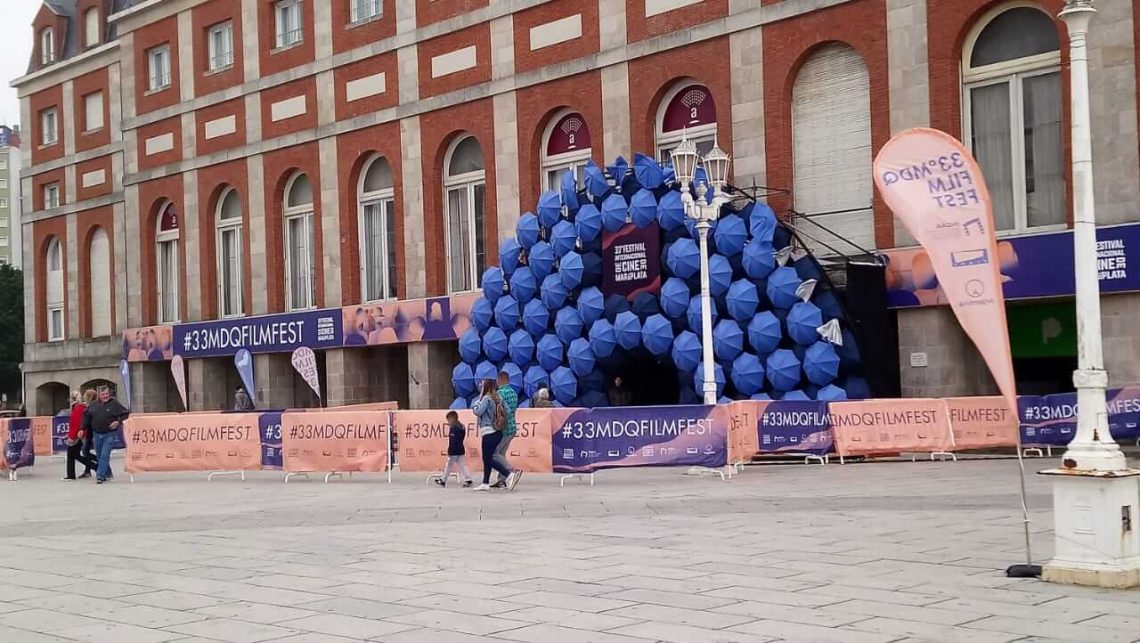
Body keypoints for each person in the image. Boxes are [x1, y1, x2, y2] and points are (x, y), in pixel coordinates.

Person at [470, 379, 515, 491]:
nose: (480, 385)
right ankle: (485, 482)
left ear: (486, 386)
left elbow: (478, 412)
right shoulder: (498, 398)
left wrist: (475, 404)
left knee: (488, 459)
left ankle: (509, 474)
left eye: (482, 384)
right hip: (498, 431)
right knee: (488, 458)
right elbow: (508, 411)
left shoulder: (486, 398)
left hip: (488, 431)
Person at [83, 386, 130, 484]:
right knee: (100, 456)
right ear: (99, 395)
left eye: (107, 394)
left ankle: (100, 475)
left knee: (105, 454)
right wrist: (81, 429)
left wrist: (118, 422)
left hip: (109, 434)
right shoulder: (93, 405)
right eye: (103, 394)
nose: (105, 396)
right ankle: (107, 472)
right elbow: (87, 417)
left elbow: (125, 413)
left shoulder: (114, 403)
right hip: (97, 434)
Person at [491, 372, 522, 489]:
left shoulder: (499, 394)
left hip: (502, 429)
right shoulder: (514, 393)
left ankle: (511, 472)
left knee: (494, 453)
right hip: (512, 427)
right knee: (502, 454)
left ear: (499, 380)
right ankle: (502, 480)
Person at [63, 390, 97, 480]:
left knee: (74, 454)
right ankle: (93, 467)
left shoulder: (80, 408)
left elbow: (76, 423)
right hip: (81, 434)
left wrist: (72, 436)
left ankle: (95, 466)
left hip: (78, 435)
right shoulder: (81, 407)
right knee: (79, 454)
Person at [435, 410, 473, 488]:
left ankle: (443, 480)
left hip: (454, 451)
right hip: (461, 449)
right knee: (462, 465)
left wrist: (450, 451)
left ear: (452, 419)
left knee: (448, 465)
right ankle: (468, 479)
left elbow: (453, 441)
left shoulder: (454, 428)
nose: (448, 422)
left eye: (448, 420)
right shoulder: (461, 426)